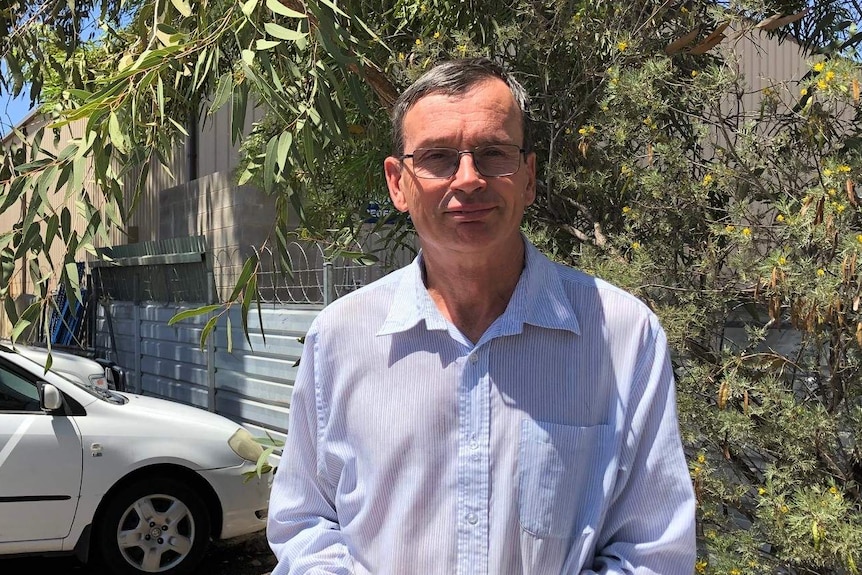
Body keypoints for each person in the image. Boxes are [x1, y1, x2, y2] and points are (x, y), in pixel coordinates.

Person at [267, 57, 696, 574]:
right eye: (438, 158)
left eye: (493, 154)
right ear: (397, 183)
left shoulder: (623, 335)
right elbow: (304, 524)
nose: (468, 179)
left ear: (529, 178)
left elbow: (652, 551)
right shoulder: (339, 338)